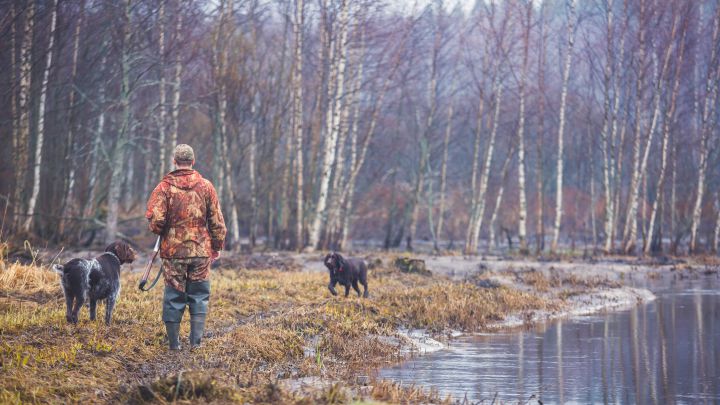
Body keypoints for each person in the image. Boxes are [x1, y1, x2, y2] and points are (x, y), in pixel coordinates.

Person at [145, 144, 227, 350]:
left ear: (174, 161)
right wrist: (216, 246)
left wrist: (164, 229)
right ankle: (195, 344)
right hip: (201, 251)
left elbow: (156, 223)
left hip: (173, 253)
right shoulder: (206, 186)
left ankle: (174, 345)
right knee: (199, 295)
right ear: (193, 161)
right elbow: (217, 222)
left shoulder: (163, 188)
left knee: (174, 295)